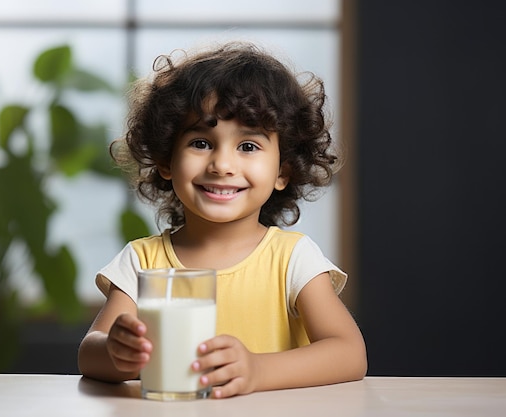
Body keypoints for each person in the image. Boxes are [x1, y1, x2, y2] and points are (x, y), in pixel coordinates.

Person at [78, 41, 367, 399]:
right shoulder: (143, 262)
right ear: (166, 160)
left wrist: (258, 370)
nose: (221, 165)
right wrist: (116, 353)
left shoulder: (292, 259)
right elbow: (89, 354)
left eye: (248, 146)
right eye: (201, 143)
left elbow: (349, 352)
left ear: (283, 169)